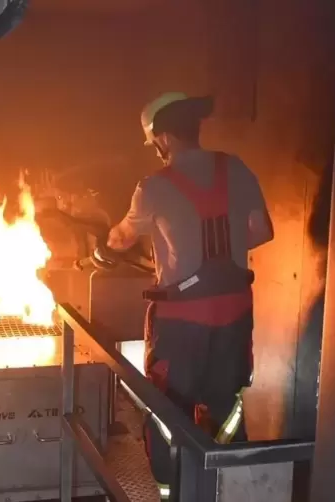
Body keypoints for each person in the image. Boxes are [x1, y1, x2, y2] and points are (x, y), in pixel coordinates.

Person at [103, 91, 274, 498]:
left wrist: (101, 250)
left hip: (180, 325)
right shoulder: (235, 168)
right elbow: (263, 231)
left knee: (168, 411)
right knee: (227, 404)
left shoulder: (153, 187)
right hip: (235, 314)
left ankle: (171, 492)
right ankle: (232, 490)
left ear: (161, 138)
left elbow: (123, 238)